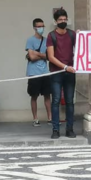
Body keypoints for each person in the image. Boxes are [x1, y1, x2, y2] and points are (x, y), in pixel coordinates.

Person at [46, 9, 77, 139]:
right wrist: (65, 67)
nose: (63, 22)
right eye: (60, 20)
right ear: (55, 21)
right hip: (56, 73)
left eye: (65, 19)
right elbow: (51, 57)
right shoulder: (51, 36)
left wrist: (82, 37)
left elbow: (83, 47)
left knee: (70, 101)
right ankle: (55, 129)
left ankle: (69, 129)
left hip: (69, 73)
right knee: (56, 101)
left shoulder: (72, 34)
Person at [26, 18, 52, 126]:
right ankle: (35, 118)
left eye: (42, 26)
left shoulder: (47, 40)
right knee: (34, 96)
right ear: (34, 27)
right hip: (33, 72)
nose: (41, 28)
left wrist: (39, 54)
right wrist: (42, 55)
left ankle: (50, 118)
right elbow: (31, 57)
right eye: (39, 26)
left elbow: (50, 56)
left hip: (45, 72)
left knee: (47, 96)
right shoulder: (30, 40)